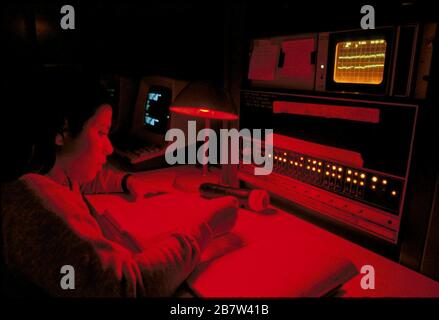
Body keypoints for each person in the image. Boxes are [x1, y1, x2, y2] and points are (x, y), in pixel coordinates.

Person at [1, 72, 238, 297]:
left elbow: (90, 181)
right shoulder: (35, 204)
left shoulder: (55, 177)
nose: (110, 147)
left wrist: (126, 180)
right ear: (62, 131)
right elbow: (129, 288)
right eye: (101, 133)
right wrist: (206, 227)